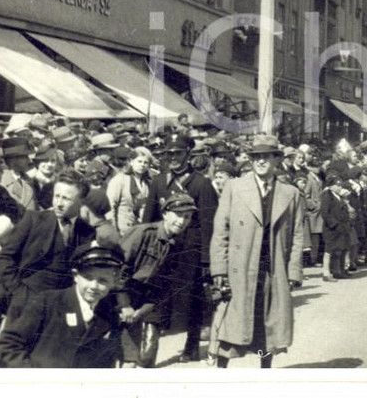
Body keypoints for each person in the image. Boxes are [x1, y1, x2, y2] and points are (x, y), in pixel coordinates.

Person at [208, 134, 305, 369]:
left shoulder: (290, 193)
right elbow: (221, 231)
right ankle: (219, 373)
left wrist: (293, 272)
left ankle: (265, 372)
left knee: (268, 324)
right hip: (239, 268)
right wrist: (219, 268)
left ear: (276, 160)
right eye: (256, 157)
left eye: (266, 157)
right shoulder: (234, 187)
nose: (261, 162)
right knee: (231, 322)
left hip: (272, 269)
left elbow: (297, 236)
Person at [141, 133, 218, 362]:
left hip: (190, 252)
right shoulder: (158, 182)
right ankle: (149, 350)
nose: (173, 158)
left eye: (178, 153)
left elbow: (208, 223)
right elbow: (148, 220)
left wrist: (206, 260)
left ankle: (192, 345)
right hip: (162, 251)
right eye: (169, 154)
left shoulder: (201, 184)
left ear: (187, 154)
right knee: (155, 295)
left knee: (193, 298)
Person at [0, 245, 126, 368]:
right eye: (88, 278)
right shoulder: (48, 302)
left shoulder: (109, 314)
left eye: (102, 281)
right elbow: (10, 343)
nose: (94, 286)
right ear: (76, 276)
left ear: (113, 282)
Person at [0, 171, 96, 322]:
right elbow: (5, 257)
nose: (58, 203)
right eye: (56, 196)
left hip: (59, 308)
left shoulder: (87, 232)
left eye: (66, 199)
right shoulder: (33, 220)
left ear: (81, 202)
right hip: (26, 302)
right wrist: (18, 291)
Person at [118, 193, 197, 368]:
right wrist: (124, 304)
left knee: (146, 360)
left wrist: (141, 312)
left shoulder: (179, 245)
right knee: (123, 356)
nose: (182, 221)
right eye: (178, 215)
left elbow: (165, 286)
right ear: (165, 214)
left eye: (187, 217)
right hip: (121, 294)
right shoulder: (143, 233)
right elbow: (117, 270)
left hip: (148, 299)